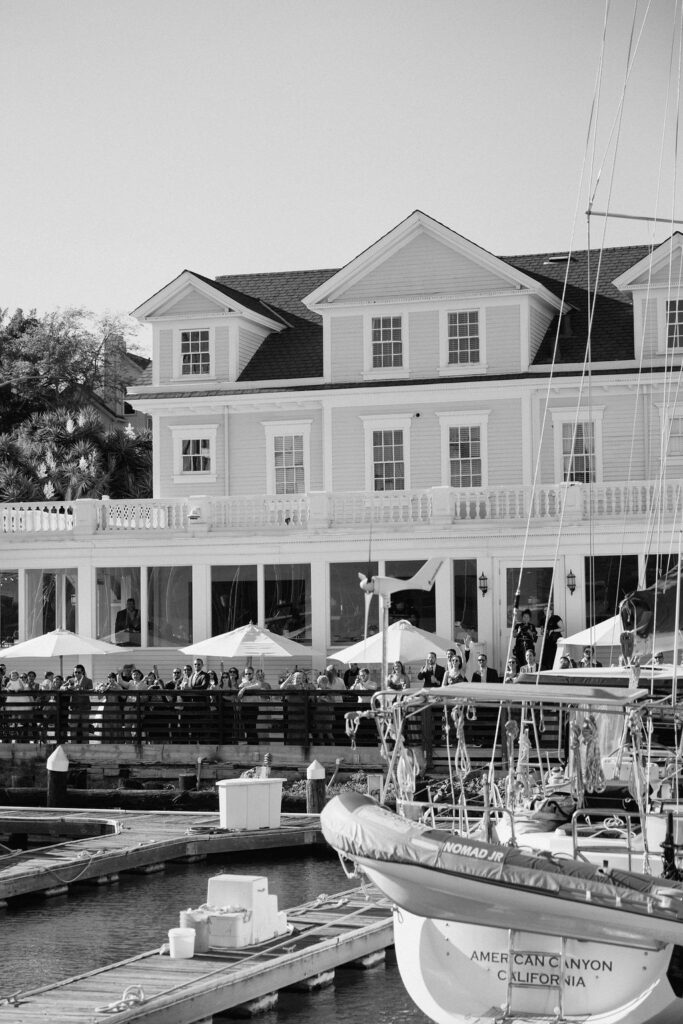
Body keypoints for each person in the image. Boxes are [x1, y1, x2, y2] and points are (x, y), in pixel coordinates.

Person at [68, 664, 93, 744]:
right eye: (75, 672)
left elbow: (91, 691)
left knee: (85, 729)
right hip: (74, 707)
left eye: (79, 672)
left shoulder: (88, 681)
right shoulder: (71, 680)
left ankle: (85, 748)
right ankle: (73, 747)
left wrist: (81, 689)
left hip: (85, 707)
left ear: (82, 672)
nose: (77, 674)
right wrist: (68, 687)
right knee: (73, 730)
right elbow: (61, 687)